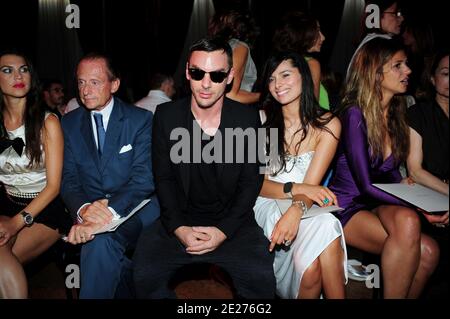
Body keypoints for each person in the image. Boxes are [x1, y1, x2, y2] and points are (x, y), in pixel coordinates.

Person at [133, 37, 275, 299]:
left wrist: (224, 230)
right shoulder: (166, 116)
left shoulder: (248, 118)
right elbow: (162, 178)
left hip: (232, 223)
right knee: (143, 276)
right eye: (198, 73)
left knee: (261, 279)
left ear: (230, 76)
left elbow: (252, 180)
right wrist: (179, 228)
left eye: (217, 75)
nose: (206, 84)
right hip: (177, 221)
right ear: (187, 72)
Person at [328, 38, 442, 298]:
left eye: (406, 65)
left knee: (430, 252)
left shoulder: (397, 112)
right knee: (412, 225)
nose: (408, 71)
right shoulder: (354, 114)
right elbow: (365, 185)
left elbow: (389, 173)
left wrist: (404, 186)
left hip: (376, 203)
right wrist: (420, 207)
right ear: (376, 73)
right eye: (398, 66)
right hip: (347, 205)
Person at [60, 52, 160, 299]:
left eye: (95, 82)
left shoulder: (140, 120)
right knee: (101, 244)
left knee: (100, 240)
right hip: (91, 208)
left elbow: (144, 180)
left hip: (139, 207)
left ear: (114, 85)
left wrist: (105, 215)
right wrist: (84, 210)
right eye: (81, 82)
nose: (86, 90)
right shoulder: (69, 123)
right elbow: (68, 179)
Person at [254, 51, 346, 299]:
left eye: (285, 75)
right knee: (326, 224)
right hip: (269, 203)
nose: (277, 85)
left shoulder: (327, 125)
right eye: (271, 79)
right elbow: (261, 186)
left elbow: (312, 186)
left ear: (303, 78)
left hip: (304, 207)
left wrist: (296, 209)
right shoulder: (267, 123)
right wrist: (296, 191)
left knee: (311, 267)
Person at [0, 50, 72, 298]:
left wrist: (15, 223)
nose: (18, 75)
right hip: (6, 201)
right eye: (7, 70)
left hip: (46, 208)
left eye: (24, 69)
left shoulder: (48, 122)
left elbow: (54, 186)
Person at [407, 51, 449, 196]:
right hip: (428, 193)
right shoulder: (418, 113)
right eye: (446, 74)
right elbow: (415, 171)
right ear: (432, 78)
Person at [272, 12, 330, 110]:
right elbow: (311, 109)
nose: (323, 37)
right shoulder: (311, 64)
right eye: (317, 31)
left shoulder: (278, 62)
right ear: (303, 34)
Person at [208, 10, 260, 104]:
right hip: (234, 112)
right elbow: (231, 95)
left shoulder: (216, 49)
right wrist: (263, 97)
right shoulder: (239, 47)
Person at [347, 0, 404, 77]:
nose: (401, 18)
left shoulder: (370, 41)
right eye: (395, 13)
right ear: (377, 15)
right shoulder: (380, 45)